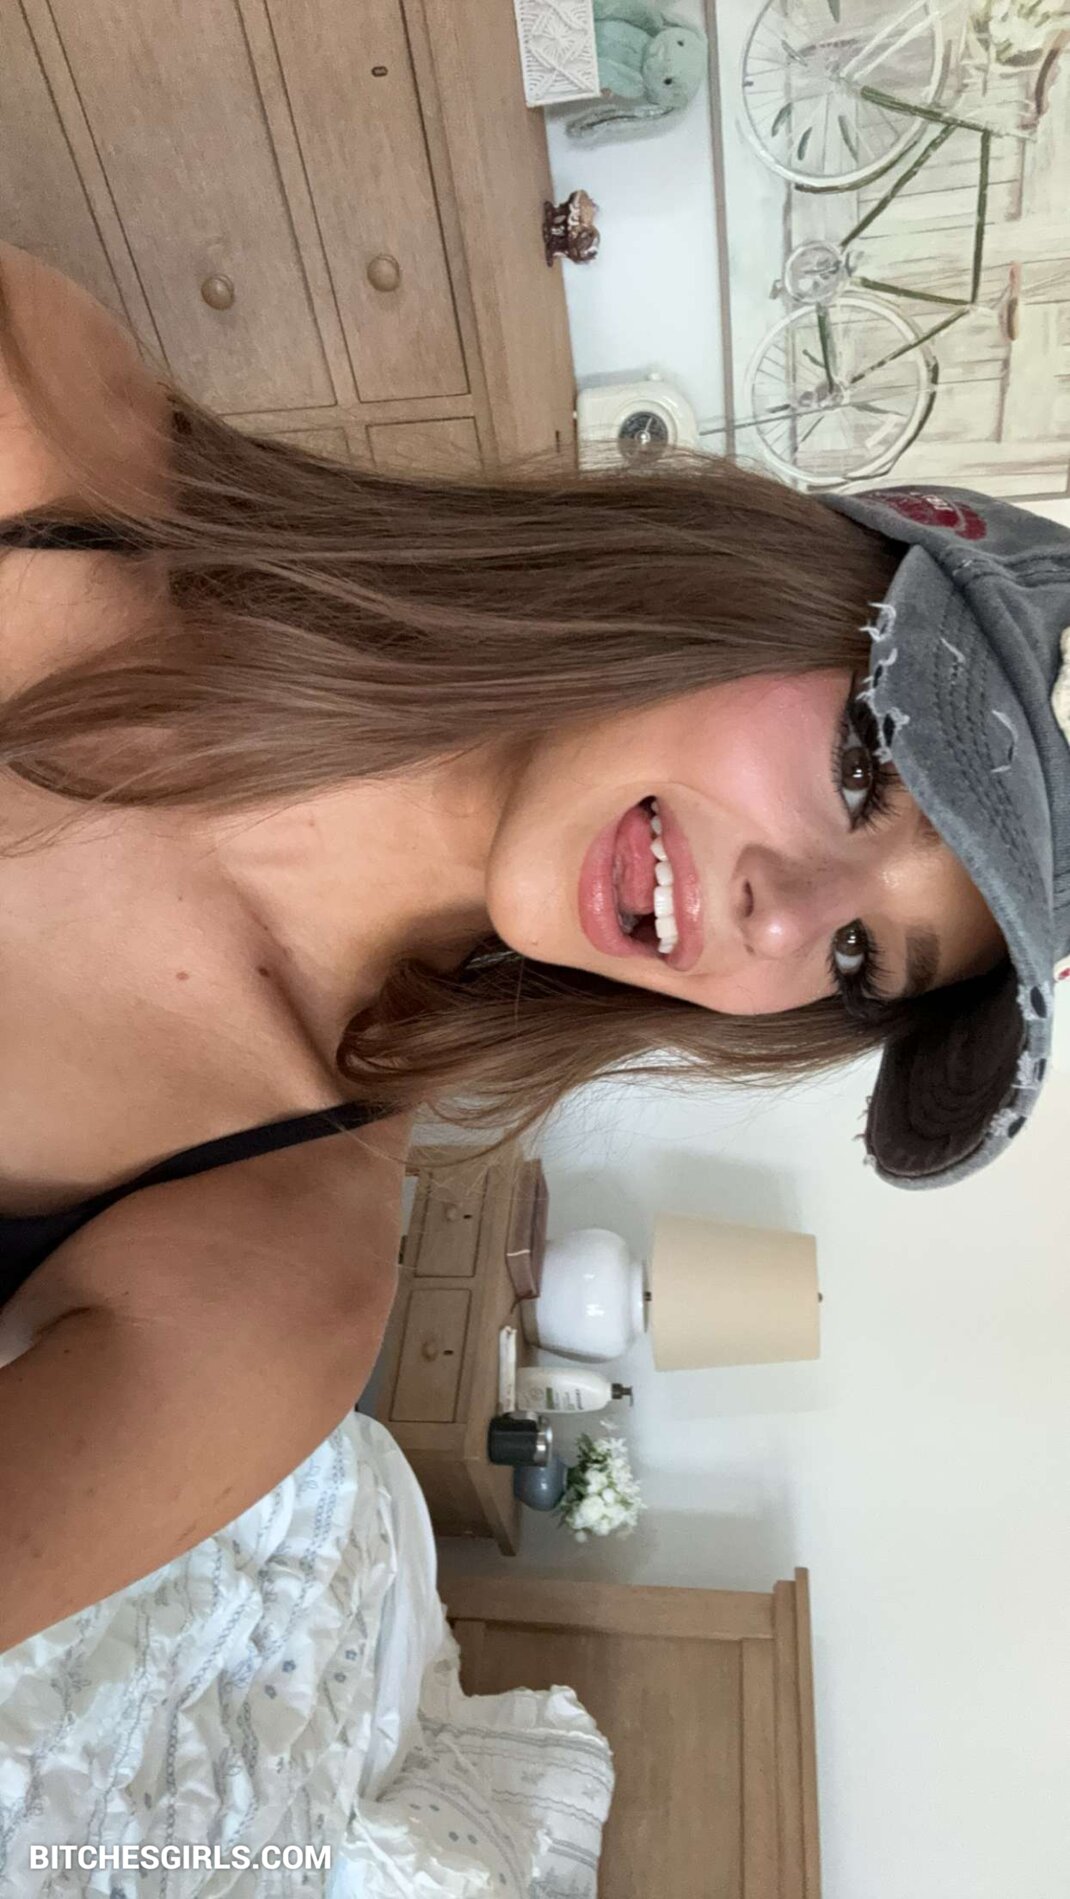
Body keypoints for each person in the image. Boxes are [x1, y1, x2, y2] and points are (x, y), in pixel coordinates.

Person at [1, 240, 1067, 1650]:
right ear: (730, 582)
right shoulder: (55, 439)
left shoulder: (281, 1274)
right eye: (862, 769)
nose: (786, 915)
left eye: (863, 957)